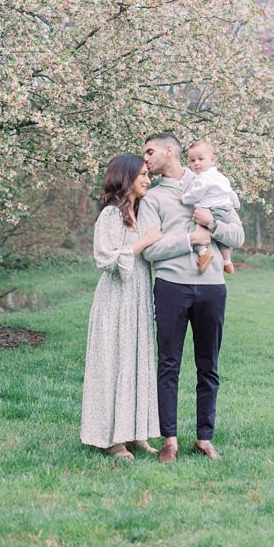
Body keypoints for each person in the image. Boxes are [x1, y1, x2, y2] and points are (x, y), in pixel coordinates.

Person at [139, 132, 245, 462]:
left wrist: (211, 222)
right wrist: (189, 238)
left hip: (212, 287)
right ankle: (169, 438)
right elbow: (149, 251)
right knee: (168, 364)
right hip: (171, 286)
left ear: (169, 151)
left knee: (208, 366)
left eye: (150, 152)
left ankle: (204, 437)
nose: (145, 159)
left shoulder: (211, 183)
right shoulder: (152, 199)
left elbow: (238, 236)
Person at [81, 154, 163, 460]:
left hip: (138, 294)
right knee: (114, 363)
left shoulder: (142, 211)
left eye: (148, 174)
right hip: (116, 297)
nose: (147, 179)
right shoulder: (110, 216)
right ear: (126, 177)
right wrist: (143, 243)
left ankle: (136, 433)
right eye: (142, 174)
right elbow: (105, 258)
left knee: (137, 361)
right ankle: (112, 438)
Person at [182, 139, 240, 275]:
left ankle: (203, 252)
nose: (196, 163)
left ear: (213, 160)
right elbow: (230, 192)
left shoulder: (203, 177)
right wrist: (235, 205)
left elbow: (196, 194)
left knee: (195, 230)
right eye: (192, 160)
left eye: (200, 159)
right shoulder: (221, 177)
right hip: (225, 209)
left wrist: (184, 198)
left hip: (212, 210)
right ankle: (227, 261)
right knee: (222, 238)